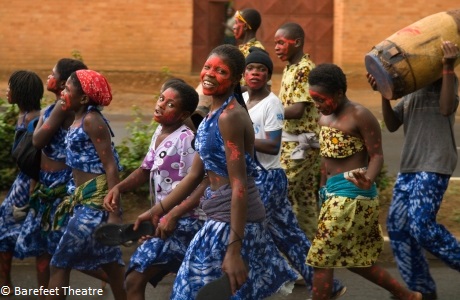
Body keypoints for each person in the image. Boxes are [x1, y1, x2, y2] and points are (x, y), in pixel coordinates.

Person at [136, 44, 297, 299]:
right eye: (207, 67)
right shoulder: (212, 114)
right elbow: (194, 175)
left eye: (220, 71)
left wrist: (234, 250)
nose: (210, 74)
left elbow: (239, 185)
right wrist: (156, 210)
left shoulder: (229, 117)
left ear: (235, 79)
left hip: (229, 224)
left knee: (189, 293)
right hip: (218, 218)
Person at [305, 63, 422, 300]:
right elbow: (325, 158)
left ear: (339, 93)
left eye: (321, 99)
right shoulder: (324, 115)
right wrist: (321, 188)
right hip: (332, 194)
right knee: (353, 259)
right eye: (314, 99)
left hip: (353, 194)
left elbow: (376, 155)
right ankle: (407, 296)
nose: (317, 104)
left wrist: (368, 179)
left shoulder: (360, 115)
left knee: (320, 258)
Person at [243, 48, 346, 298]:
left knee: (249, 231)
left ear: (268, 75)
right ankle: (328, 286)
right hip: (255, 177)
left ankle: (263, 281)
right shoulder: (242, 100)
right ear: (244, 74)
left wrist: (242, 140)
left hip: (268, 177)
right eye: (250, 69)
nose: (255, 73)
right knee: (290, 236)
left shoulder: (272, 104)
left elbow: (272, 145)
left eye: (261, 70)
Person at [367, 40, 460, 300]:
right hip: (410, 166)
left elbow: (445, 108)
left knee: (421, 226)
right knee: (397, 227)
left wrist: (447, 67)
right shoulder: (410, 88)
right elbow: (393, 124)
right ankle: (422, 289)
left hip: (435, 162)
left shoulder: (447, 80)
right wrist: (385, 95)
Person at [103, 80, 207, 300]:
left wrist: (173, 215)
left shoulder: (187, 140)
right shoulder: (160, 131)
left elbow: (200, 182)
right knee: (183, 281)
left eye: (170, 104)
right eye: (161, 99)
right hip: (163, 218)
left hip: (185, 221)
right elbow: (144, 170)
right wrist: (118, 189)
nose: (161, 105)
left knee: (134, 280)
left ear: (182, 114)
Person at [13, 59, 104, 296]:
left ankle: (118, 279)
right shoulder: (57, 107)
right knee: (45, 252)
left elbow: (37, 141)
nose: (48, 77)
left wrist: (42, 117)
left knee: (61, 255)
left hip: (60, 188)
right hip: (47, 185)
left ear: (64, 83)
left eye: (52, 74)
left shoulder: (62, 108)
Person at [45, 70, 126, 300]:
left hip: (96, 204)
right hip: (83, 201)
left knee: (59, 264)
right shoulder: (76, 118)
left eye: (67, 90)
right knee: (113, 268)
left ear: (83, 99)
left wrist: (114, 215)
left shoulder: (92, 120)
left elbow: (111, 166)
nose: (62, 93)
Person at [274, 22, 320, 240]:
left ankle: (281, 253)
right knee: (305, 202)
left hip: (302, 143)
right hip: (294, 141)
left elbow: (297, 110)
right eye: (275, 43)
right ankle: (314, 254)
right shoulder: (291, 68)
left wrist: (267, 113)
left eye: (281, 42)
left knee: (279, 194)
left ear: (297, 42)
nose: (276, 47)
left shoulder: (304, 69)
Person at [0, 70, 42, 290]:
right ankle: (5, 283)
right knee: (5, 232)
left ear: (21, 93)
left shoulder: (36, 120)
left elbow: (36, 161)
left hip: (30, 185)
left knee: (10, 231)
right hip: (22, 182)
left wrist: (30, 195)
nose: (7, 91)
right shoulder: (23, 116)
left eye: (11, 88)